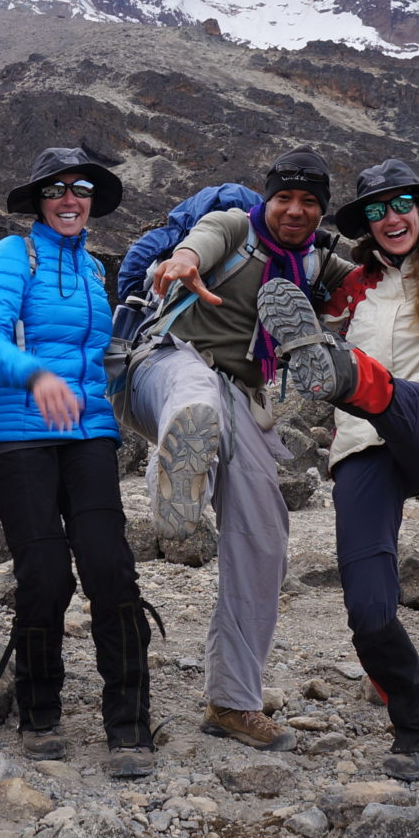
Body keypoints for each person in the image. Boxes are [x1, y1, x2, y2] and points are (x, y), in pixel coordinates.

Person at [252, 159, 419, 780]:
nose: (392, 217)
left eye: (403, 203)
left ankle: (347, 376)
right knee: (368, 609)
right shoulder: (350, 288)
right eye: (378, 209)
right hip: (364, 443)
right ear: (365, 222)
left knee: (367, 383)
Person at [128, 147, 353, 751]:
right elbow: (199, 241)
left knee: (264, 537)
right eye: (285, 198)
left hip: (245, 399)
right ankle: (173, 489)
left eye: (310, 202)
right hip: (166, 362)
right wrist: (179, 263)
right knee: (193, 395)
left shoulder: (321, 260)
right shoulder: (234, 225)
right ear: (266, 198)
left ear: (322, 209)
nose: (295, 210)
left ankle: (233, 702)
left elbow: (371, 285)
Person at [0, 147, 156, 777]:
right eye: (57, 190)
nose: (70, 199)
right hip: (16, 432)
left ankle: (128, 721)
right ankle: (39, 711)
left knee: (111, 566)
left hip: (90, 431)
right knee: (45, 571)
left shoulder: (97, 274)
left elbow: (104, 353)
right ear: (40, 201)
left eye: (80, 189)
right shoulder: (10, 255)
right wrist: (36, 375)